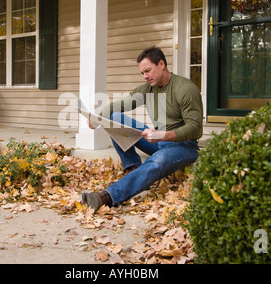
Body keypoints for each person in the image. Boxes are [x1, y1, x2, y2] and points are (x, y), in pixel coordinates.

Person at [82, 46, 203, 211]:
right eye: (142, 73)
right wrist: (97, 118)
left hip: (184, 145)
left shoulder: (185, 89)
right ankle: (133, 168)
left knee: (157, 161)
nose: (145, 76)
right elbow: (120, 104)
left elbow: (195, 129)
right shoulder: (148, 89)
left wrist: (163, 135)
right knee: (114, 117)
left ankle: (107, 196)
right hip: (159, 141)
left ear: (161, 64)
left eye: (148, 71)